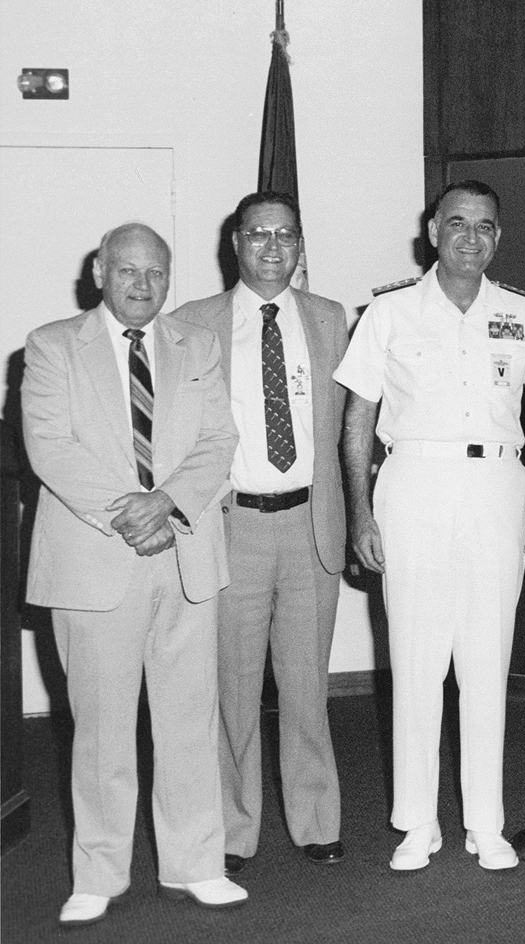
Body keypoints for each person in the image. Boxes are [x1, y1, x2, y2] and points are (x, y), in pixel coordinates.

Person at [22, 224, 246, 926]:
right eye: (126, 270)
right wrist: (131, 515)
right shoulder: (52, 345)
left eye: (155, 271)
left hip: (184, 557)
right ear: (99, 272)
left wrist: (167, 505)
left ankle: (196, 863)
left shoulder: (197, 346)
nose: (142, 284)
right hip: (94, 565)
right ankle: (98, 872)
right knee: (101, 729)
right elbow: (50, 449)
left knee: (188, 721)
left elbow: (219, 441)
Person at [334, 179, 525, 872]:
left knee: (487, 661)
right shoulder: (389, 313)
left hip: (497, 488)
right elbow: (355, 425)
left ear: (498, 237)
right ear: (432, 230)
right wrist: (359, 514)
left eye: (484, 226)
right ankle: (417, 823)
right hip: (413, 487)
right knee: (418, 661)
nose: (470, 236)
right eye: (456, 223)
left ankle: (486, 824)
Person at [174, 191, 350, 875]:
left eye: (286, 235)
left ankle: (316, 821)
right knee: (231, 690)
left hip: (312, 523)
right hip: (232, 525)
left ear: (300, 244)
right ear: (235, 244)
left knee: (309, 688)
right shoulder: (193, 323)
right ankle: (232, 831)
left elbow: (351, 427)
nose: (273, 247)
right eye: (258, 235)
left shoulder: (329, 318)